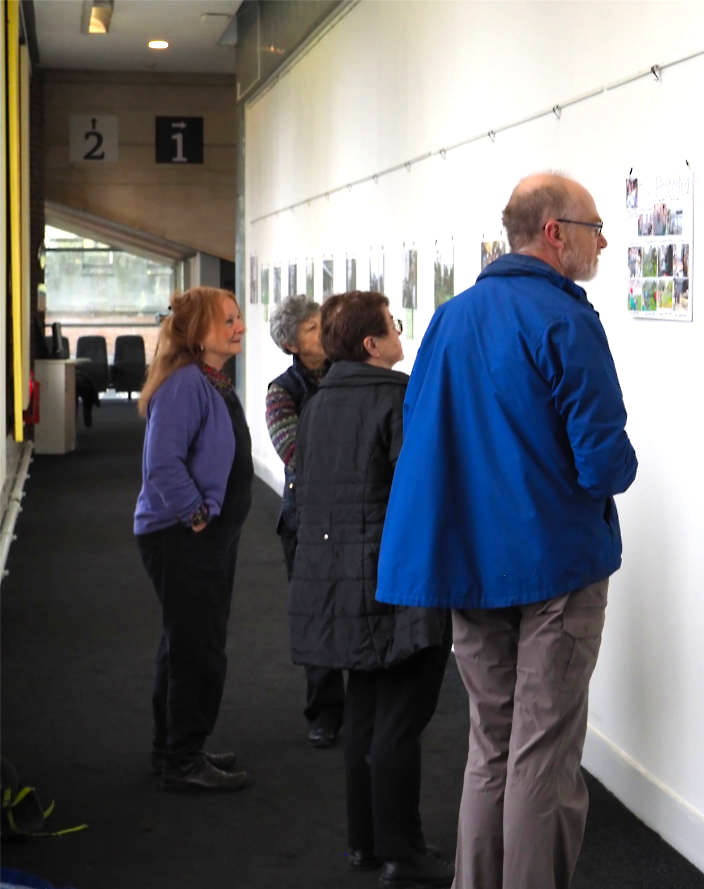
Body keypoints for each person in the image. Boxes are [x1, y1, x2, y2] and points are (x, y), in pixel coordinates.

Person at [376, 173, 638, 889]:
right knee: (543, 753)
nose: (603, 241)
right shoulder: (566, 319)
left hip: (470, 565)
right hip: (555, 565)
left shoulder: (451, 318)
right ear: (555, 232)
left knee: (491, 743)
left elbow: (424, 438)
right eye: (594, 227)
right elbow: (603, 462)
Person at [289, 291, 454, 888]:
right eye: (392, 325)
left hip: (337, 582)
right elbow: (420, 495)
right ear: (371, 344)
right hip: (396, 580)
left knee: (363, 710)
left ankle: (363, 842)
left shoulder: (317, 405)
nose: (398, 332)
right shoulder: (397, 400)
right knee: (400, 721)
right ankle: (402, 854)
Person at [133, 287, 253, 792]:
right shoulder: (185, 384)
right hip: (183, 535)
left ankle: (177, 749)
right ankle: (183, 757)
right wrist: (196, 513)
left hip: (201, 535)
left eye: (238, 318)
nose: (239, 327)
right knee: (197, 648)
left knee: (185, 642)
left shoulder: (208, 381)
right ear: (198, 332)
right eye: (227, 321)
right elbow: (162, 463)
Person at [265, 294, 346, 748]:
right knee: (318, 616)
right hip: (307, 522)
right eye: (314, 329)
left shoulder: (349, 375)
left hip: (353, 518)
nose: (325, 333)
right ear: (293, 344)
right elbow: (296, 454)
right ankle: (325, 711)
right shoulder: (282, 391)